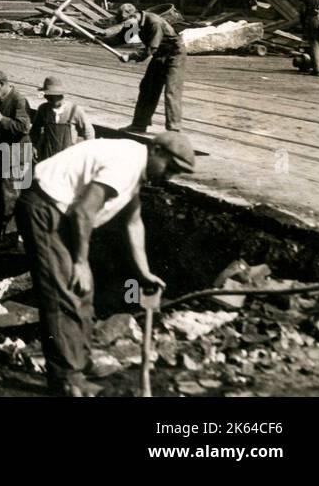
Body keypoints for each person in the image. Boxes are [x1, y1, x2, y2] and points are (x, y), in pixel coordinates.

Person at [16, 133, 195, 396]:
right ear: (156, 150)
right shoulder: (126, 164)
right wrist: (80, 261)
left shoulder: (136, 167)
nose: (170, 176)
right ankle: (67, 380)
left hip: (61, 209)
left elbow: (133, 221)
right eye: (170, 167)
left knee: (83, 292)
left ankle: (81, 361)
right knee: (62, 292)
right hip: (44, 206)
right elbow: (83, 212)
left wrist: (143, 273)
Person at [0, 69, 32, 247]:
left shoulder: (18, 100)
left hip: (15, 154)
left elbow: (23, 127)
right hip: (0, 153)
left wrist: (2, 119)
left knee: (9, 196)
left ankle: (10, 238)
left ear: (2, 85)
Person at [117, 2, 186, 132]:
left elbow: (151, 49)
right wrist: (100, 38)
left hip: (174, 54)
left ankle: (174, 130)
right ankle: (139, 125)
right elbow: (121, 39)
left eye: (127, 22)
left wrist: (131, 56)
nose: (127, 26)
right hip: (160, 54)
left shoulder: (154, 22)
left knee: (171, 91)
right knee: (147, 88)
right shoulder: (133, 22)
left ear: (134, 15)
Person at [30, 76, 95, 163]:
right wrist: (33, 145)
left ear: (61, 95)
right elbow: (35, 129)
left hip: (68, 157)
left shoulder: (74, 110)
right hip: (47, 156)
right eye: (48, 96)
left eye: (54, 96)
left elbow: (88, 131)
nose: (50, 99)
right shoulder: (43, 109)